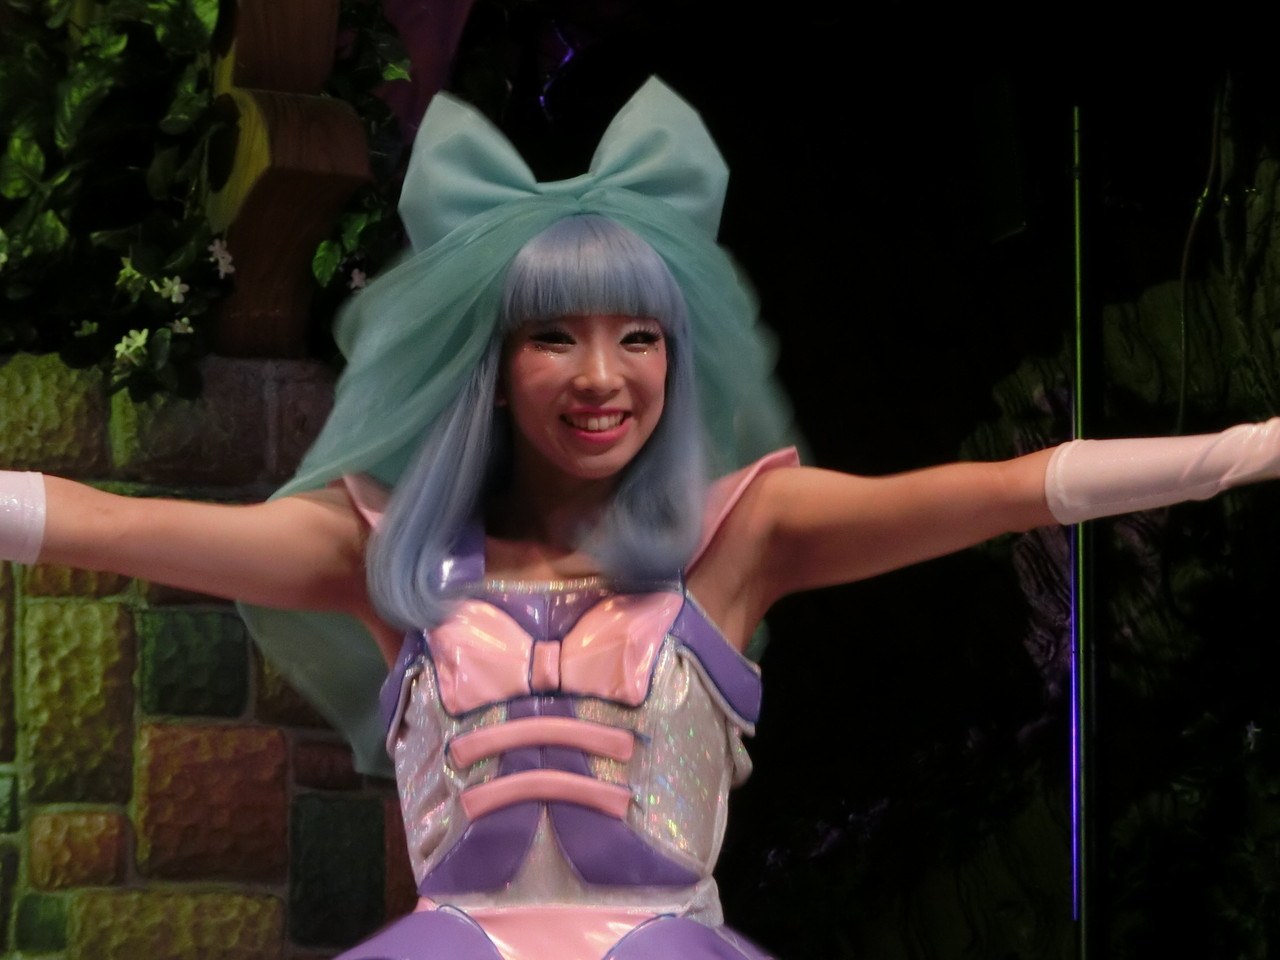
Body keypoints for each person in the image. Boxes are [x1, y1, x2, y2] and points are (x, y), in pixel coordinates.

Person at [3, 79, 1280, 960]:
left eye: (638, 337)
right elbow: (109, 525)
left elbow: (1013, 487)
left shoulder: (738, 540)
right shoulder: (389, 557)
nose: (600, 377)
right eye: (552, 337)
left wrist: (1242, 453)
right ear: (491, 368)